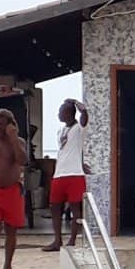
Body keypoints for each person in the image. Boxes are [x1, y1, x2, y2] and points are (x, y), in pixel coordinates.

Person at [43, 98, 89, 251]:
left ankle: (73, 240)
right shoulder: (61, 130)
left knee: (76, 208)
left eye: (61, 112)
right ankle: (57, 241)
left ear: (69, 113)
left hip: (74, 174)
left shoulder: (79, 128)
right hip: (59, 174)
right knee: (54, 207)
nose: (58, 115)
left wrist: (75, 102)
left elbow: (84, 113)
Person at [0, 109, 28, 269]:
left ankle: (8, 266)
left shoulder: (18, 142)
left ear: (9, 125)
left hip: (12, 191)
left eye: (1, 124)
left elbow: (23, 160)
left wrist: (13, 138)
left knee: (11, 230)